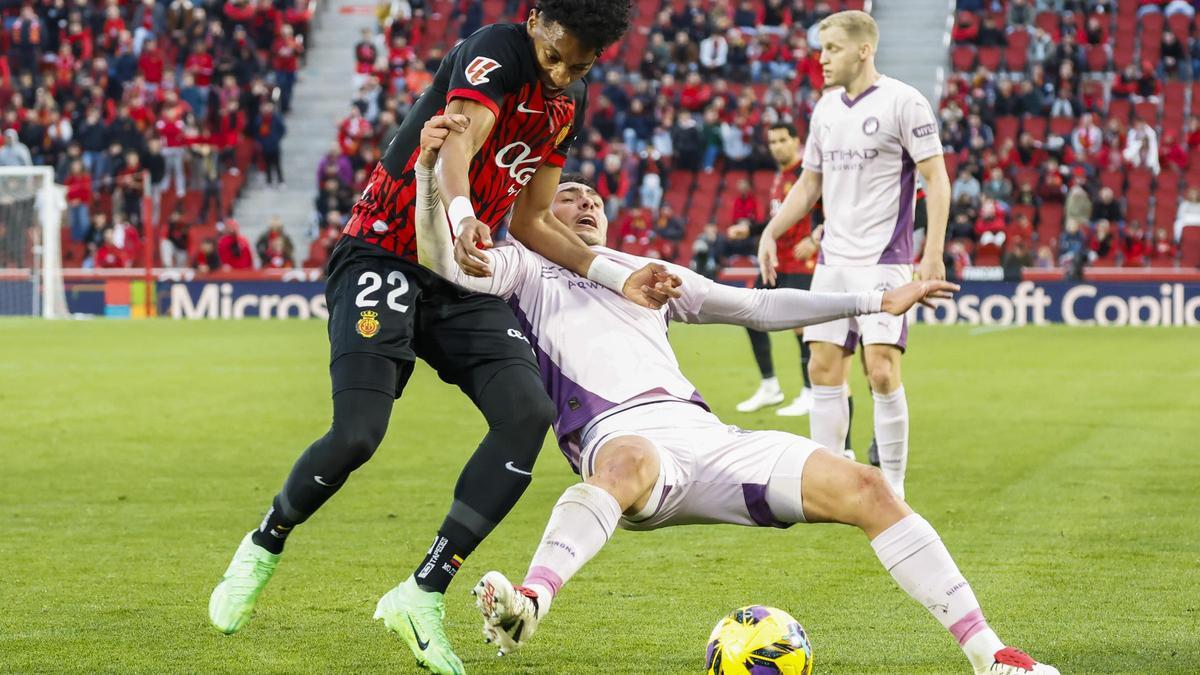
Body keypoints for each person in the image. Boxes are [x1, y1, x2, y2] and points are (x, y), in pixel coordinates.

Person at [413, 114, 1057, 675]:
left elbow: (755, 306)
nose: (585, 205)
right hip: (618, 438)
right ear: (537, 214)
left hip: (707, 435)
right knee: (628, 461)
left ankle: (991, 656)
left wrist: (873, 300)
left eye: (594, 201)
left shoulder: (642, 272)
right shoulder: (524, 270)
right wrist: (427, 178)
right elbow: (442, 260)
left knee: (869, 488)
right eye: (568, 197)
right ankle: (531, 601)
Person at [206, 6, 675, 675]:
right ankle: (264, 542)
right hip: (384, 254)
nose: (562, 73)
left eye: (580, 64)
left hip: (460, 276)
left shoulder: (569, 97)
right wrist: (462, 215)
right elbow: (459, 140)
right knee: (358, 433)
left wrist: (613, 275)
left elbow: (534, 221)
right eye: (555, 56)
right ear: (535, 20)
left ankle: (422, 592)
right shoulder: (498, 50)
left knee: (527, 413)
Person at [757, 11, 951, 499]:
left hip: (884, 260)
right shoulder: (824, 108)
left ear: (864, 50)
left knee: (881, 369)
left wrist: (932, 254)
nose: (822, 59)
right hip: (833, 264)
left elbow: (936, 178)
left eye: (832, 49)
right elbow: (809, 184)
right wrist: (772, 230)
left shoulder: (905, 101)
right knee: (822, 369)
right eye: (821, 50)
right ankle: (830, 487)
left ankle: (894, 488)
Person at [735, 122, 827, 420]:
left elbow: (831, 208)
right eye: (772, 141)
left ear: (797, 141)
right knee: (750, 313)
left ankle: (810, 392)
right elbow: (780, 218)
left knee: (803, 327)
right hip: (777, 261)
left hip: (802, 262)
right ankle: (769, 385)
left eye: (782, 140)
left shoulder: (807, 174)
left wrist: (815, 239)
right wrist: (751, 229)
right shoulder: (780, 177)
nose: (776, 146)